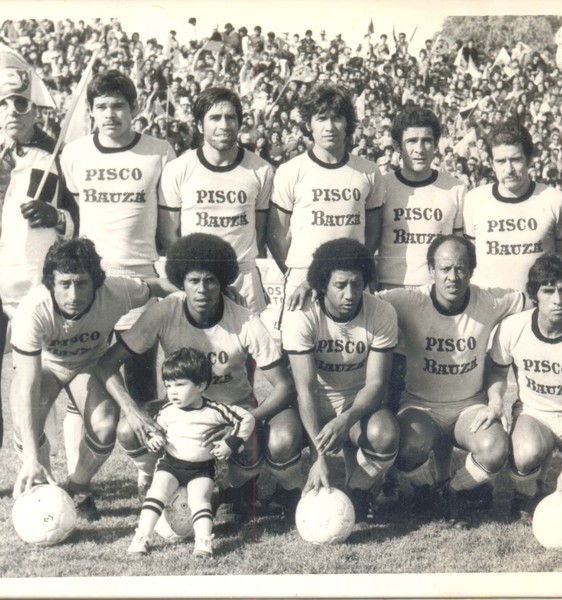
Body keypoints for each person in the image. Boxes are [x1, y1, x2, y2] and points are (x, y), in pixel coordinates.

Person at [96, 233, 303, 519]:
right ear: (182, 281)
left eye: (211, 281)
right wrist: (132, 411)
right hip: (180, 413)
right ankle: (151, 476)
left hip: (231, 413)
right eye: (194, 281)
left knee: (251, 445)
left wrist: (247, 420)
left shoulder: (244, 319)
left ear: (222, 282)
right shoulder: (164, 311)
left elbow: (284, 387)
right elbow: (105, 364)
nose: (202, 289)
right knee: (128, 430)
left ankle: (233, 488)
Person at [59, 69, 176, 473]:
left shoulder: (159, 151)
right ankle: (80, 482)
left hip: (139, 281)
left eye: (118, 106)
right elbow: (73, 217)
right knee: (84, 387)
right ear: (90, 111)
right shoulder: (74, 154)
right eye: (102, 107)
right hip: (90, 284)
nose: (110, 114)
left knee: (143, 384)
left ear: (135, 108)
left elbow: (168, 225)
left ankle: (149, 478)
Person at [10, 238, 176, 518]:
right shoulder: (33, 310)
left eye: (82, 283)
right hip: (47, 366)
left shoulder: (116, 290)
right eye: (65, 284)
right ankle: (43, 485)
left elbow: (157, 285)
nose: (73, 294)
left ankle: (77, 488)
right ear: (51, 282)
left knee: (104, 423)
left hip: (89, 364)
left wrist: (216, 289)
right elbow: (27, 385)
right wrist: (30, 458)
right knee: (23, 415)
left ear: (96, 281)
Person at [378, 235, 525, 524]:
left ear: (472, 270)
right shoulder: (409, 300)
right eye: (444, 269)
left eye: (461, 268)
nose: (452, 277)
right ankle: (424, 490)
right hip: (420, 405)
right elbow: (361, 301)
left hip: (469, 407)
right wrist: (311, 287)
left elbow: (539, 298)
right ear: (431, 270)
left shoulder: (490, 300)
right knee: (405, 446)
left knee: (495, 448)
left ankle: (454, 490)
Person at [282, 238, 399, 521]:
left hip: (358, 404)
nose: (349, 294)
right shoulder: (302, 314)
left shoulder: (381, 312)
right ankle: (290, 491)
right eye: (340, 285)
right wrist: (319, 457)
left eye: (356, 284)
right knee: (281, 440)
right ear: (322, 285)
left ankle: (356, 491)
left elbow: (376, 385)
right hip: (316, 402)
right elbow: (306, 389)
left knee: (385, 436)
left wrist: (346, 420)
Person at [0, 46, 78, 448]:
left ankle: (41, 471)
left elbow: (82, 219)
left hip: (31, 286)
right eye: (4, 104)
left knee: (38, 378)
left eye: (20, 104)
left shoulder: (59, 156)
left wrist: (57, 218)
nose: (12, 111)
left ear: (34, 111)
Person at [486, 254, 562, 521]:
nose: (558, 300)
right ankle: (526, 496)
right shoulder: (513, 327)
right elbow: (497, 375)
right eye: (548, 291)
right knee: (525, 454)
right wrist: (495, 400)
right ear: (535, 294)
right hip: (534, 413)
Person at [376, 106, 466, 412]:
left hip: (434, 298)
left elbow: (458, 248)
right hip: (391, 293)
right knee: (388, 387)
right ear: (399, 144)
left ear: (437, 143)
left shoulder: (454, 188)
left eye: (427, 140)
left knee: (433, 391)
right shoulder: (383, 185)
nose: (419, 148)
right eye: (411, 140)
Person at [267, 84, 384, 315]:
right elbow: (277, 235)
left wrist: (356, 267)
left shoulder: (369, 171)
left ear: (348, 124)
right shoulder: (290, 170)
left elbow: (373, 232)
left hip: (351, 277)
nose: (329, 127)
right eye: (321, 118)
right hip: (303, 275)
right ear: (309, 124)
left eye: (337, 118)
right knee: (299, 348)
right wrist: (302, 273)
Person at [127, 347, 255, 558]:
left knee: (199, 500)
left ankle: (203, 541)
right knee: (156, 492)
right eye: (168, 386)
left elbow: (246, 418)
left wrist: (231, 442)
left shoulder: (214, 410)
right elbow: (155, 429)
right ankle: (142, 536)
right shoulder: (167, 411)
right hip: (171, 464)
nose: (172, 392)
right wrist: (154, 439)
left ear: (200, 385)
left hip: (202, 468)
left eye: (180, 385)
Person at [158, 87, 273, 313]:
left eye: (230, 117)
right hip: (197, 279)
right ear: (200, 125)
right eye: (215, 118)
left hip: (243, 278)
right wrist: (191, 273)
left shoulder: (261, 170)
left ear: (239, 123)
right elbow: (169, 234)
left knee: (249, 346)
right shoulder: (177, 169)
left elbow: (260, 233)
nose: (224, 125)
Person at [463, 120, 562, 290]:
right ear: (491, 163)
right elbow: (470, 261)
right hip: (488, 306)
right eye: (501, 161)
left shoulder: (553, 199)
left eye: (516, 159)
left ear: (529, 160)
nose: (509, 169)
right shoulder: (475, 199)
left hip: (536, 308)